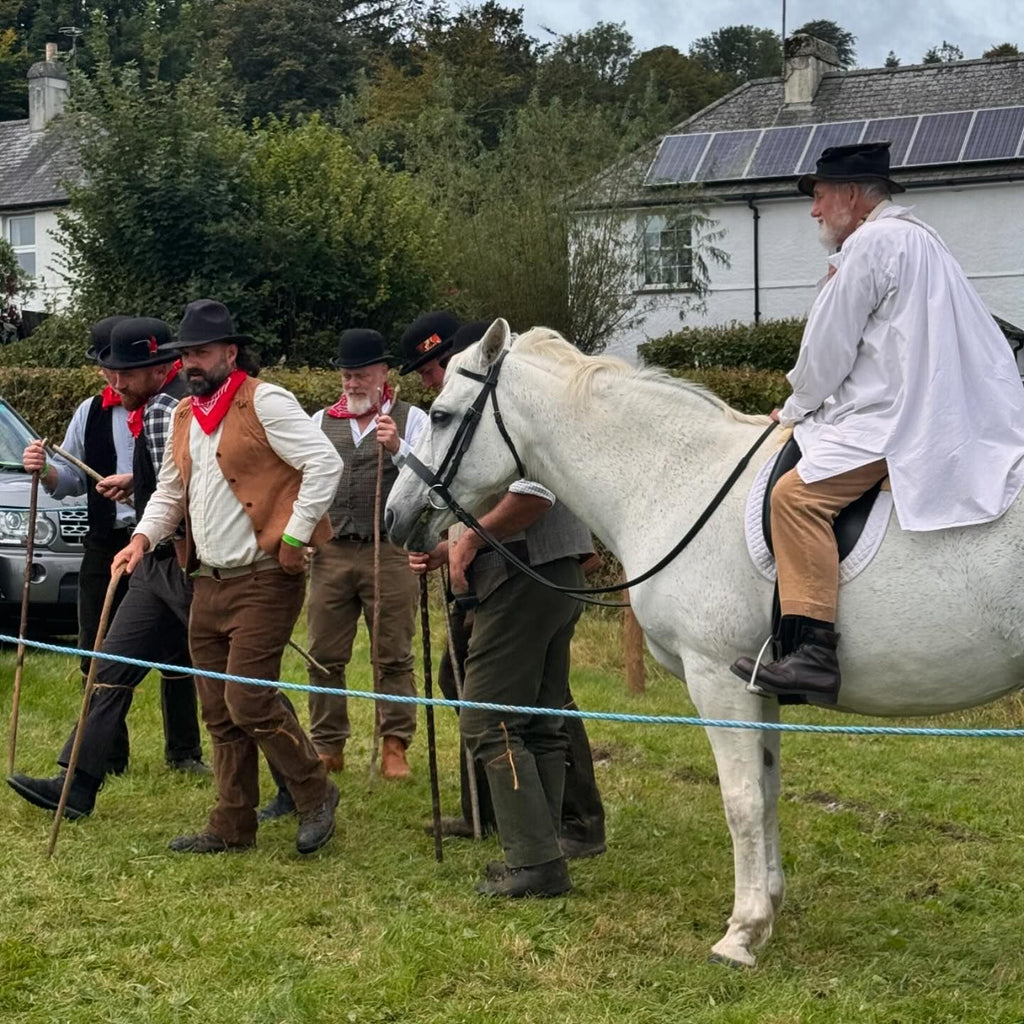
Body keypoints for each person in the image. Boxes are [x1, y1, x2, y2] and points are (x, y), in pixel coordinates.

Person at [730, 142, 1024, 704]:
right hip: (952, 409)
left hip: (897, 418)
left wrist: (793, 408)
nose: (814, 210)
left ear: (850, 195)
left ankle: (813, 653)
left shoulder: (869, 245)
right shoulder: (923, 240)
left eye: (818, 197)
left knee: (794, 499)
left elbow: (828, 350)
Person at [114, 299, 343, 855]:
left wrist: (295, 534)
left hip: (265, 578)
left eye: (202, 352)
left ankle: (315, 793)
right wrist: (142, 539)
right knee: (217, 712)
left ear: (230, 353)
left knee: (248, 701)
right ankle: (232, 825)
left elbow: (324, 463)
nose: (192, 362)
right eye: (186, 353)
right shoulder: (187, 418)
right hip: (207, 581)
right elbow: (171, 492)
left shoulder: (266, 400)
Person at [407, 326, 606, 896]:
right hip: (540, 570)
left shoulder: (504, 405)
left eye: (433, 370)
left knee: (488, 717)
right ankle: (541, 844)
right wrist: (450, 546)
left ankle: (537, 859)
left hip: (527, 572)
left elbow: (535, 495)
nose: (432, 383)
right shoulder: (505, 407)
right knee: (539, 716)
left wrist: (468, 541)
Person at [10, 317, 204, 804]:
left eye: (123, 370)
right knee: (106, 662)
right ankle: (79, 783)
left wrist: (137, 493)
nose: (113, 380)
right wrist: (47, 473)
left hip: (179, 556)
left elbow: (183, 483)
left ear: (158, 366)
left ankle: (298, 785)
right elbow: (75, 480)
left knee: (224, 673)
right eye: (107, 369)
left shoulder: (175, 408)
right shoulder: (99, 411)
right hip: (124, 549)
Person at [302, 329, 427, 783]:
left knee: (392, 653)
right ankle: (327, 745)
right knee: (323, 654)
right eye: (347, 375)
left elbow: (432, 479)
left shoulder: (411, 420)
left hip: (391, 552)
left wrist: (398, 448)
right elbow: (306, 480)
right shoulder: (320, 421)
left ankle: (394, 745)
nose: (353, 384)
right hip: (331, 553)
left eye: (361, 375)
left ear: (383, 373)